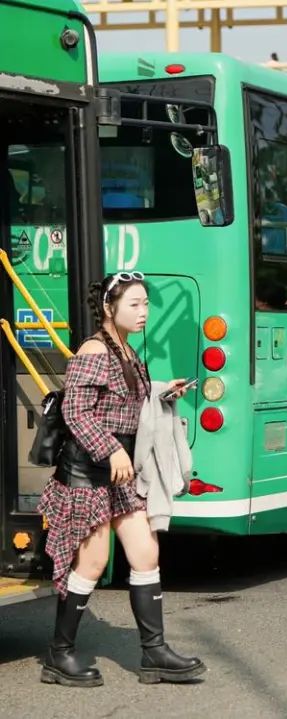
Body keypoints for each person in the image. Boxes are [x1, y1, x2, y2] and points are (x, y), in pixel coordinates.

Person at [37, 273, 205, 688]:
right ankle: (59, 655)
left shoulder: (128, 353)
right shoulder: (94, 351)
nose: (143, 311)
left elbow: (127, 400)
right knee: (92, 562)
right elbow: (76, 411)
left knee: (146, 553)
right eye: (134, 304)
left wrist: (164, 392)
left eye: (146, 303)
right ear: (110, 308)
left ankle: (154, 654)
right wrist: (111, 448)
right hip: (87, 473)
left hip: (118, 474)